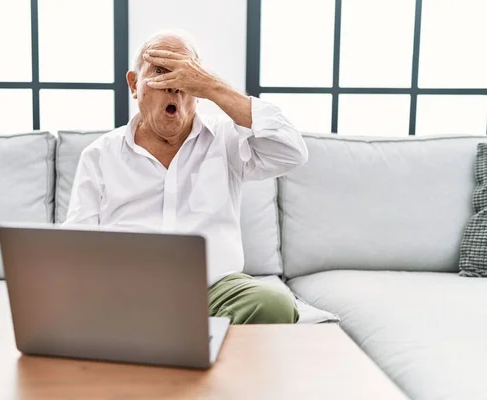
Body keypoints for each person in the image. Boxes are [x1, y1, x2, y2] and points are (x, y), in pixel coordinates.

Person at [63, 31, 308, 324]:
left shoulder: (226, 139)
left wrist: (213, 87)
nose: (175, 86)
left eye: (186, 76)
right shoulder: (99, 154)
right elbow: (75, 246)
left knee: (274, 303)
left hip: (213, 294)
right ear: (134, 85)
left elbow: (292, 151)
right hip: (127, 295)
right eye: (161, 73)